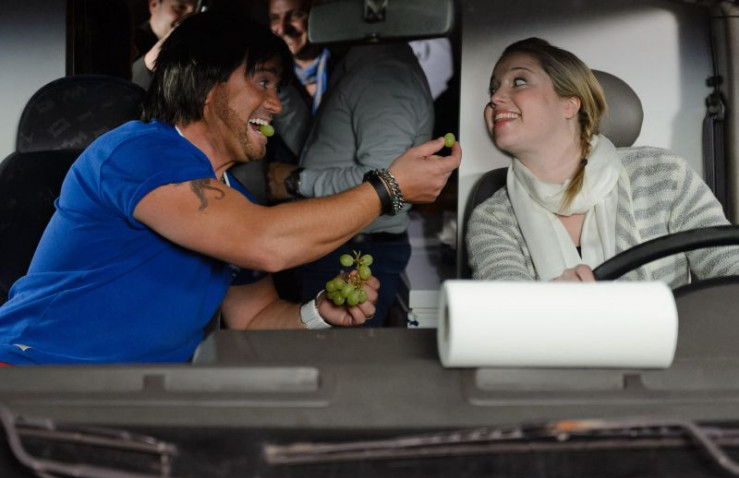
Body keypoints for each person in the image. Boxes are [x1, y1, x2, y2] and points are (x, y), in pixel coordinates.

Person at [0, 12, 461, 365]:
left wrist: (319, 312)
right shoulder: (139, 151)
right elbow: (265, 242)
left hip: (131, 395)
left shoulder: (233, 201)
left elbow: (255, 318)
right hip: (37, 374)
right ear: (208, 86)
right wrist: (389, 186)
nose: (276, 104)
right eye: (262, 82)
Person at [466, 37, 739, 285]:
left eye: (519, 82)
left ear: (569, 104)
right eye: (493, 89)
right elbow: (508, 315)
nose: (495, 99)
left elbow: (731, 274)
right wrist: (552, 303)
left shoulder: (665, 175)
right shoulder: (492, 219)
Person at [266, 0, 435, 326]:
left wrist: (297, 182)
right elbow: (319, 146)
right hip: (337, 244)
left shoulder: (384, 76)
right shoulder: (360, 64)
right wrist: (276, 85)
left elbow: (388, 182)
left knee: (335, 355)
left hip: (356, 253)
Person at [132, 0, 197, 89]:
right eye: (180, 8)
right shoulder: (126, 42)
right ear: (154, 5)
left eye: (193, 13)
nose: (188, 19)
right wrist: (147, 66)